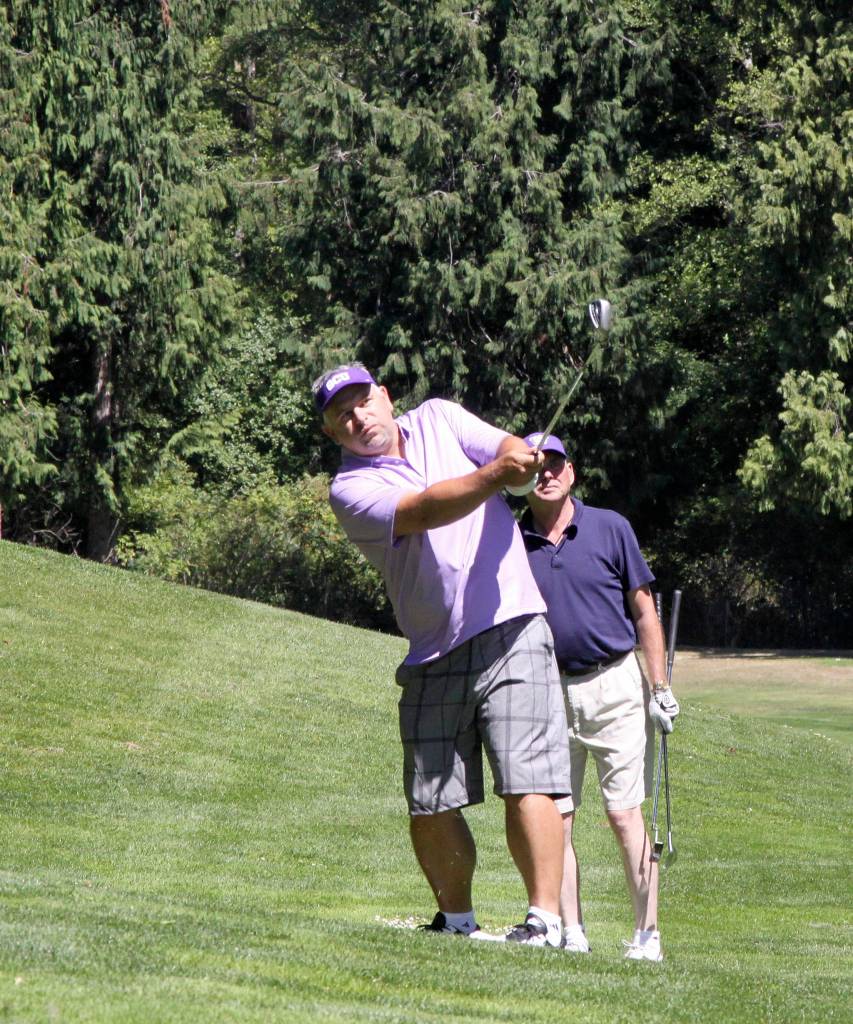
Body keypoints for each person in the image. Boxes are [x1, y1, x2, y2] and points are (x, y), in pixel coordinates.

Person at [313, 364, 572, 947]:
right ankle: (456, 921)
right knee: (430, 798)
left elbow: (500, 445)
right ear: (334, 434)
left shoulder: (439, 416)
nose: (358, 418)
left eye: (363, 402)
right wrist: (498, 475)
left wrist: (517, 458)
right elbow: (428, 508)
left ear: (385, 396)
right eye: (342, 416)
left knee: (527, 775)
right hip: (433, 649)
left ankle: (545, 921)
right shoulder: (350, 489)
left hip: (512, 624)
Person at [519, 431, 680, 962]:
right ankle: (573, 931)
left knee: (624, 813)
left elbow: (644, 612)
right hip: (547, 692)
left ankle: (647, 936)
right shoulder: (513, 540)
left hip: (615, 685)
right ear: (522, 478)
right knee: (556, 817)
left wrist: (660, 688)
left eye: (556, 464)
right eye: (537, 465)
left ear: (571, 473)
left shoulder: (610, 527)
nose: (547, 473)